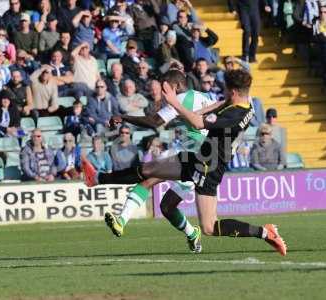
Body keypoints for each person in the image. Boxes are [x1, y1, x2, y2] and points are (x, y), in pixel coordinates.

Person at [83, 69, 287, 256]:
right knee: (148, 170)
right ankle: (98, 178)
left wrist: (175, 103)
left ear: (233, 91)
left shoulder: (234, 115)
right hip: (198, 158)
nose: (223, 92)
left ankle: (264, 232)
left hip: (208, 167)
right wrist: (194, 112)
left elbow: (197, 123)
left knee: (209, 227)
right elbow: (218, 105)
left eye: (226, 89)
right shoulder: (245, 103)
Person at [86, 70, 218, 252]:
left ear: (176, 87)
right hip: (202, 159)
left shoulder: (180, 99)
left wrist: (123, 117)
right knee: (166, 207)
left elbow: (153, 122)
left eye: (166, 88)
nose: (164, 93)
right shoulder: (205, 97)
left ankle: (115, 208)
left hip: (190, 157)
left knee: (147, 176)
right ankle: (192, 233)